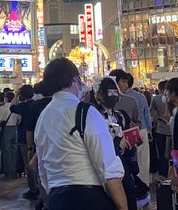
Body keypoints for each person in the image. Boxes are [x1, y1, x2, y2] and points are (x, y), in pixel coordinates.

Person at [34, 58, 127, 210]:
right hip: (89, 199)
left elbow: (42, 168)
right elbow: (107, 166)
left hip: (57, 199)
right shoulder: (86, 112)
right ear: (74, 80)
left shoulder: (43, 117)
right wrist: (122, 206)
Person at [89, 76, 140, 210]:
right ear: (99, 94)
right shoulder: (93, 115)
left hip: (122, 163)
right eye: (109, 92)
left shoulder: (120, 115)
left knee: (129, 195)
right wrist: (116, 142)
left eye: (114, 92)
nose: (113, 95)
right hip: (103, 164)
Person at [112, 71, 151, 188]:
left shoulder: (131, 100)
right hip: (113, 144)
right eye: (123, 81)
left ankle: (141, 190)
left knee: (135, 165)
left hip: (130, 141)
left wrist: (133, 125)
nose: (126, 84)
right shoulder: (104, 101)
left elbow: (139, 120)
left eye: (126, 81)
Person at [10, 84, 38, 200]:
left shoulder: (23, 106)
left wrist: (15, 95)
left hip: (25, 138)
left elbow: (12, 107)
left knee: (29, 165)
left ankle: (33, 189)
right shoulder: (37, 105)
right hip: (38, 137)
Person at [149, 80, 171, 177]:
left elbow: (151, 113)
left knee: (162, 155)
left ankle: (163, 176)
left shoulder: (156, 99)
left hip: (161, 129)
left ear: (159, 88)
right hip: (173, 130)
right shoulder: (174, 98)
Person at [0, 90, 18, 179]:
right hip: (14, 129)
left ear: (6, 98)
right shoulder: (16, 107)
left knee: (7, 152)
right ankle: (14, 171)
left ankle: (8, 172)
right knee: (14, 151)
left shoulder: (3, 108)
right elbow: (19, 119)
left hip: (6, 130)